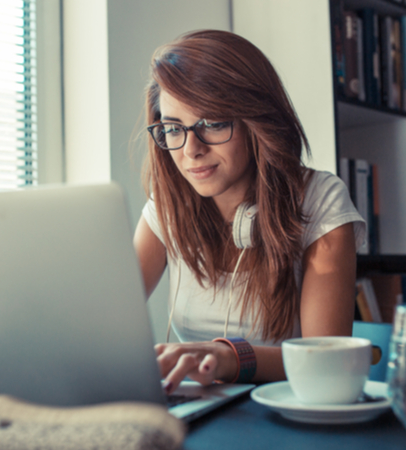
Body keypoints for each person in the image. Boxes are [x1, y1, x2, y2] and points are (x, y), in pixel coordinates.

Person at [133, 30, 367, 395]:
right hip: (198, 409)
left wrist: (226, 357)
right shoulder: (167, 208)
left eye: (212, 123)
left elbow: (325, 361)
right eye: (173, 129)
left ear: (256, 121)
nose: (190, 149)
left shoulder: (320, 201)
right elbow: (99, 324)